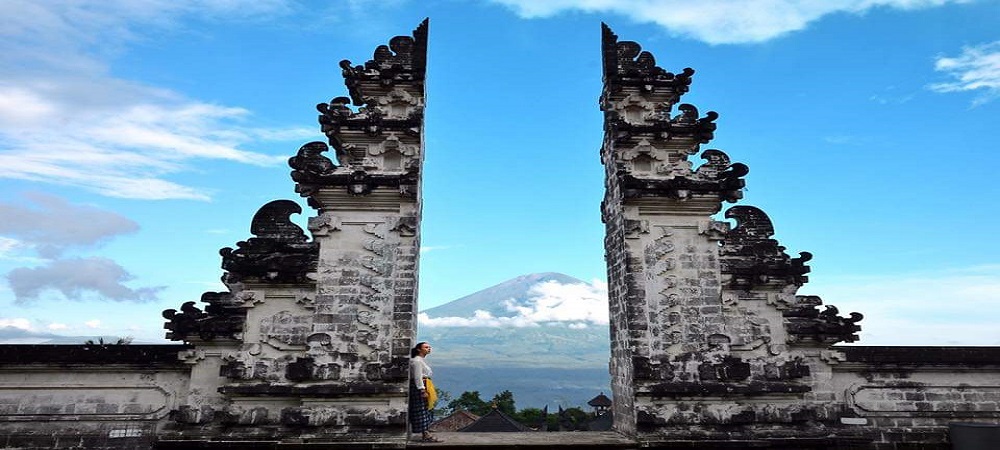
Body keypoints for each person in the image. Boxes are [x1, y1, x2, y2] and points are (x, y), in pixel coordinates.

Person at [409, 341, 440, 442]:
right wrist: (422, 390)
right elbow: (417, 377)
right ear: (419, 349)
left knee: (426, 408)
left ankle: (426, 431)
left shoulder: (420, 360)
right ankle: (425, 434)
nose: (429, 349)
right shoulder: (417, 361)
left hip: (423, 385)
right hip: (419, 387)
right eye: (426, 347)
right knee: (421, 409)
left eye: (429, 347)